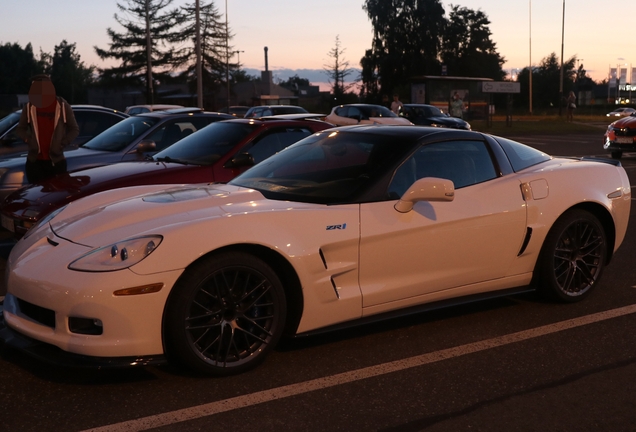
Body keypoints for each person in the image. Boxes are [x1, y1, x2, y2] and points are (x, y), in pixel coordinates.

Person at [15, 74, 79, 184]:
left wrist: (63, 143)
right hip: (34, 162)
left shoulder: (62, 106)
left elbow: (74, 129)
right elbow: (20, 129)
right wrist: (28, 140)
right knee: (36, 197)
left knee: (56, 196)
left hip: (56, 162)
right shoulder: (30, 108)